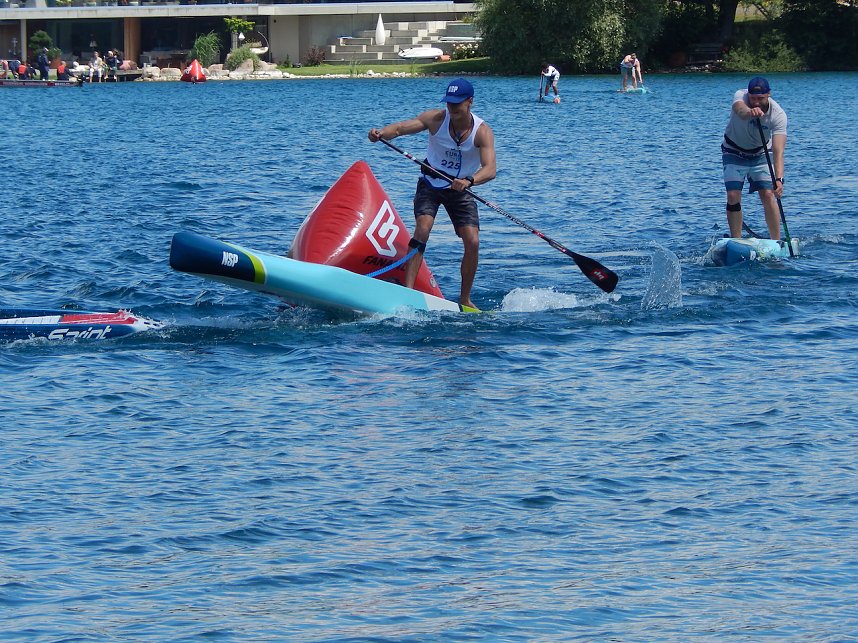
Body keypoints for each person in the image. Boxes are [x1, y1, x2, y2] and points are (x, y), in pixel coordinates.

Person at [368, 78, 497, 310]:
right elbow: (399, 128)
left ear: (470, 102)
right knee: (423, 228)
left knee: (473, 241)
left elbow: (490, 169)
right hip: (430, 183)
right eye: (449, 102)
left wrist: (469, 181)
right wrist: (381, 133)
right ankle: (407, 292)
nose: (452, 108)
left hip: (460, 189)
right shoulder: (436, 119)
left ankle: (465, 300)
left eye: (457, 103)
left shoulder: (482, 132)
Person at [721, 76, 788, 240]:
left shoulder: (778, 115)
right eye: (753, 98)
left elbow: (778, 151)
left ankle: (776, 240)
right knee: (733, 195)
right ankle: (736, 240)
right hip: (733, 151)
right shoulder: (740, 96)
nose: (756, 102)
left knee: (768, 193)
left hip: (760, 154)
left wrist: (779, 179)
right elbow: (740, 110)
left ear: (769, 94)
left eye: (761, 98)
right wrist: (750, 112)